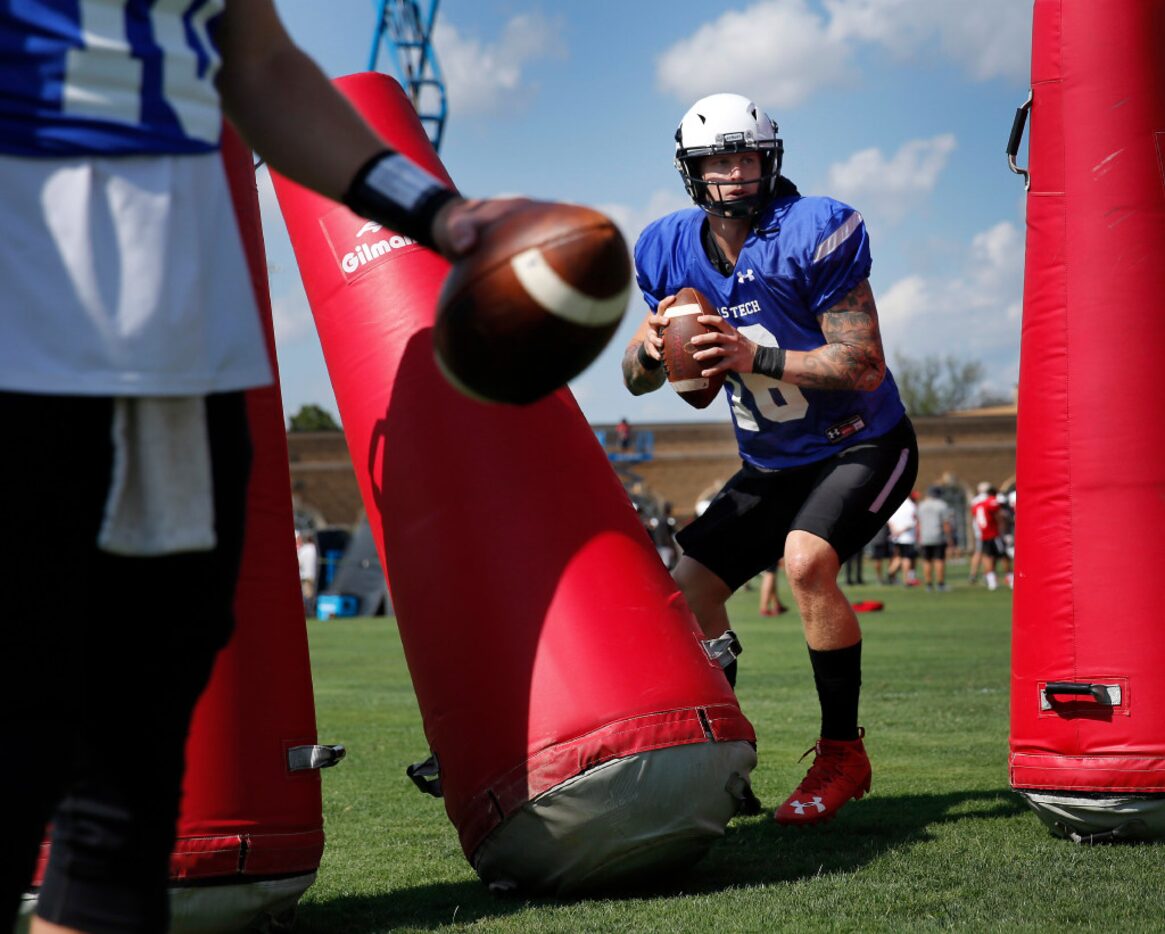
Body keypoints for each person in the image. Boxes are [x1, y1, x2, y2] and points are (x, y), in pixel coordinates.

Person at [0, 4, 528, 933]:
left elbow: (261, 64)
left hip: (178, 328)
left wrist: (434, 209)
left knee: (137, 727)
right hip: (26, 298)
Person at [622, 92, 918, 826]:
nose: (736, 173)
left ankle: (842, 753)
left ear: (768, 159)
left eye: (746, 156)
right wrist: (649, 351)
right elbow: (637, 376)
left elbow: (862, 363)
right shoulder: (667, 247)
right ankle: (725, 754)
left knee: (807, 560)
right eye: (719, 161)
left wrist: (756, 353)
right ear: (691, 172)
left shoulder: (813, 229)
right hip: (771, 466)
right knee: (684, 591)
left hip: (861, 441)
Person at [972, 484, 1013, 590]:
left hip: (983, 535)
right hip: (994, 534)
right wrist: (1004, 531)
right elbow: (999, 516)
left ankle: (991, 582)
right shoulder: (991, 501)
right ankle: (1011, 579)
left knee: (988, 558)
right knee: (1004, 557)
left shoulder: (977, 504)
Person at [917, 485, 955, 590]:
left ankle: (928, 585)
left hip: (925, 537)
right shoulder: (942, 505)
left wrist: (919, 537)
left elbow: (919, 523)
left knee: (927, 561)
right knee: (939, 560)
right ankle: (940, 584)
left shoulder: (921, 505)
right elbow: (946, 523)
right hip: (938, 536)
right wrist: (950, 539)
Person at [886, 493, 920, 586]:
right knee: (906, 558)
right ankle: (907, 579)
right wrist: (901, 531)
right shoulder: (911, 506)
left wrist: (894, 531)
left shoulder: (896, 503)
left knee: (899, 557)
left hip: (896, 536)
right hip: (907, 537)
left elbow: (889, 519)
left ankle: (890, 573)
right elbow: (911, 523)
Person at [297, 530, 320, 617]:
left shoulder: (304, 550)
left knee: (307, 596)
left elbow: (299, 563)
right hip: (314, 575)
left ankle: (309, 613)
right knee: (311, 595)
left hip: (305, 576)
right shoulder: (315, 549)